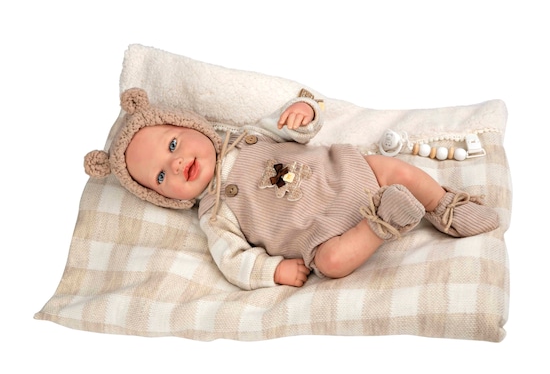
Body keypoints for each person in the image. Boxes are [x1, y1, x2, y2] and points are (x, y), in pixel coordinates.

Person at [84, 88, 499, 290]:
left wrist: (303, 112)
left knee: (394, 169)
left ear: (191, 125)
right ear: (164, 199)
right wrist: (274, 270)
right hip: (322, 235)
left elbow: (298, 125)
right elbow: (233, 260)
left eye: (173, 144)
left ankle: (443, 204)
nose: (175, 164)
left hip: (346, 174)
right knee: (332, 263)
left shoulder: (248, 136)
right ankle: (382, 223)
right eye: (160, 177)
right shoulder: (213, 214)